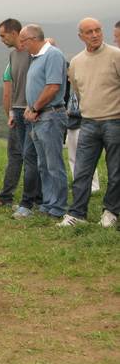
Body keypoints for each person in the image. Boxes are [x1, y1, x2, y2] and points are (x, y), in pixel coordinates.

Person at [59, 18, 120, 227]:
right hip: (88, 122)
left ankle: (110, 212)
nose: (94, 35)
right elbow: (76, 90)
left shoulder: (116, 55)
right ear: (81, 36)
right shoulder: (76, 61)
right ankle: (77, 214)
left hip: (115, 121)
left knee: (116, 171)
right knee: (82, 171)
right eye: (89, 32)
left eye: (98, 30)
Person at [0, 19, 43, 216]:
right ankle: (32, 198)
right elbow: (14, 86)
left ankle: (31, 201)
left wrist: (35, 107)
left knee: (30, 157)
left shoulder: (32, 52)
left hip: (32, 110)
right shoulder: (13, 55)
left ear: (14, 33)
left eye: (3, 35)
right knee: (20, 155)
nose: (1, 39)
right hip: (18, 111)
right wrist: (11, 112)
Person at [20, 24, 68, 219]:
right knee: (43, 164)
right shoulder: (36, 58)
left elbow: (53, 86)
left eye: (23, 41)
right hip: (39, 117)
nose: (22, 45)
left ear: (33, 39)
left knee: (53, 163)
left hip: (50, 115)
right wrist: (30, 107)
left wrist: (35, 107)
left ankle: (58, 206)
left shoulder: (53, 55)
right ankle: (49, 203)